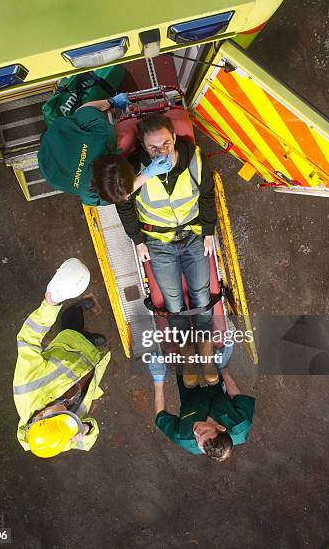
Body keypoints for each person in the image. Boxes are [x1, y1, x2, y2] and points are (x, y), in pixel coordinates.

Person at [116, 112, 219, 383]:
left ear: (174, 137)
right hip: (159, 243)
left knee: (201, 297)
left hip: (194, 235)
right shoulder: (133, 170)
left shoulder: (194, 159)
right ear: (142, 145)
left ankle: (206, 351)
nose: (160, 152)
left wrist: (208, 232)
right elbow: (123, 202)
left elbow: (208, 194)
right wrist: (137, 240)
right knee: (174, 304)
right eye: (152, 148)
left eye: (165, 144)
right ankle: (186, 352)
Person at [13, 258, 111, 458]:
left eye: (62, 415)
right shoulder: (59, 436)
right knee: (91, 342)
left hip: (70, 343)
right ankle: (90, 341)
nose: (70, 415)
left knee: (72, 321)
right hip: (90, 364)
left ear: (41, 415)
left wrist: (50, 305)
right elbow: (87, 442)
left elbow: (27, 339)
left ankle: (74, 309)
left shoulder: (25, 389)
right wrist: (85, 430)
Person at [38, 94, 172, 206]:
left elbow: (84, 109)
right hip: (47, 166)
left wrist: (110, 102)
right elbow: (120, 194)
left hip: (57, 133)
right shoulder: (87, 193)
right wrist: (148, 173)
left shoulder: (101, 137)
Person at [149, 345, 255, 460]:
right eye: (204, 432)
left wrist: (158, 380)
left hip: (191, 400)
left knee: (182, 363)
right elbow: (236, 396)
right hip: (217, 395)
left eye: (198, 439)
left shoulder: (184, 437)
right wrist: (223, 369)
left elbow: (161, 415)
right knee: (212, 367)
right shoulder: (240, 423)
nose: (196, 432)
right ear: (220, 427)